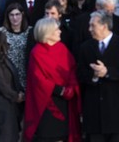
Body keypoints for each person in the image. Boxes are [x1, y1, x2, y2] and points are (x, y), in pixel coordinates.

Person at [23, 17, 81, 142]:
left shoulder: (62, 48)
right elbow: (38, 80)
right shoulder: (37, 52)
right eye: (56, 30)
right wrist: (60, 90)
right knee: (50, 136)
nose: (60, 32)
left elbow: (72, 69)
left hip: (65, 101)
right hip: (46, 102)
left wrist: (71, 87)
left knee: (64, 136)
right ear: (47, 33)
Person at [78, 10, 119, 142]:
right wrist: (94, 76)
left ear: (104, 26)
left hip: (115, 112)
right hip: (94, 114)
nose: (89, 29)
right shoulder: (85, 47)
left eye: (92, 25)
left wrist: (107, 72)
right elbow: (80, 73)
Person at [0, 2, 33, 92]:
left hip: (26, 74)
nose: (15, 18)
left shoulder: (30, 31)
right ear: (8, 16)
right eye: (11, 15)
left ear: (22, 14)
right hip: (8, 75)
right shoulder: (1, 32)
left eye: (17, 14)